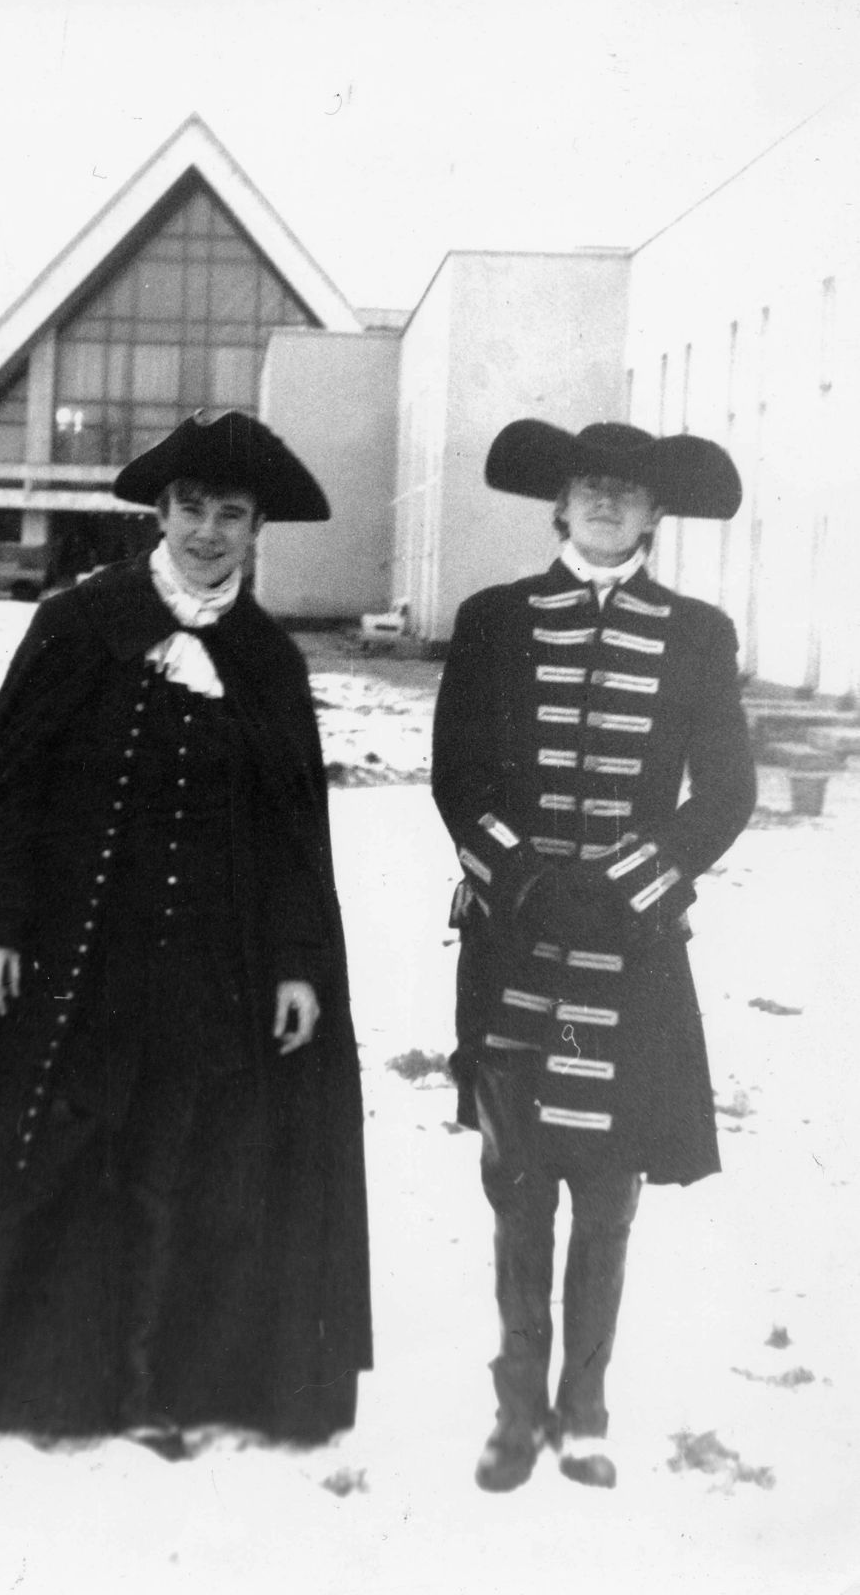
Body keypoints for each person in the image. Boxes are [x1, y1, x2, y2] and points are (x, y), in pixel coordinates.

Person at [0, 409, 372, 1467]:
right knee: (23, 1164)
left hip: (203, 975)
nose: (208, 531)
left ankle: (140, 1390)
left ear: (257, 530)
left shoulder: (266, 661)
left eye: (232, 514)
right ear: (159, 513)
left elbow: (293, 838)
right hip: (72, 963)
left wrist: (298, 966)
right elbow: (8, 791)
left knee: (170, 1178)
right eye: (191, 508)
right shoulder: (80, 624)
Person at [431, 419, 755, 1492]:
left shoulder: (698, 634)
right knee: (517, 1184)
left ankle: (586, 1414)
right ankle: (517, 1411)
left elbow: (726, 791)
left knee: (608, 1194)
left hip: (631, 950)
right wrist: (523, 878)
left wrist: (632, 884)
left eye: (628, 489)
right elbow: (458, 776)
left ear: (656, 512)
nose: (607, 503)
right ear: (559, 505)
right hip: (513, 941)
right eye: (589, 486)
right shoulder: (494, 620)